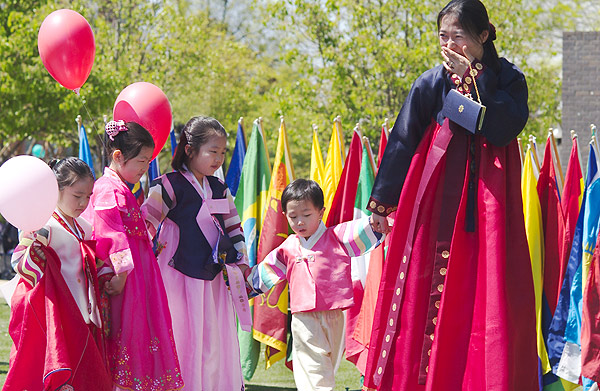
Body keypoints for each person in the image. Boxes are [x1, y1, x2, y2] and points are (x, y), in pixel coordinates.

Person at [363, 0, 538, 390]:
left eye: (458, 35)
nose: (449, 44)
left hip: (491, 206)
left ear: (484, 35)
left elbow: (505, 127)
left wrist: (476, 78)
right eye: (443, 36)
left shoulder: (510, 79)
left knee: (487, 290)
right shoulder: (431, 81)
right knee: (428, 289)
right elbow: (403, 139)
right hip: (437, 202)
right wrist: (381, 203)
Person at [141, 116, 250, 391]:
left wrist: (242, 260)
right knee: (180, 334)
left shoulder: (219, 189)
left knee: (212, 339)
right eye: (212, 151)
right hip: (176, 277)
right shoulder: (166, 184)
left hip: (212, 279)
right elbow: (144, 227)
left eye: (223, 153)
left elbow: (234, 228)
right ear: (189, 150)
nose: (219, 159)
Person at [245, 179, 384, 391]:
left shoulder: (338, 237)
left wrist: (382, 214)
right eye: (293, 217)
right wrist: (236, 285)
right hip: (304, 319)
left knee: (327, 368)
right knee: (313, 372)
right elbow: (264, 274)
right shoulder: (289, 247)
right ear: (285, 216)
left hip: (336, 316)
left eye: (306, 215)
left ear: (321, 212)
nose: (299, 222)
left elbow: (369, 226)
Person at [88, 120, 183, 391]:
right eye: (141, 161)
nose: (145, 168)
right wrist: (120, 274)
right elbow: (111, 234)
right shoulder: (109, 188)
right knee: (127, 332)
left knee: (138, 331)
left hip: (137, 273)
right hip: (128, 277)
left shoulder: (119, 187)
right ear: (118, 156)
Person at [5, 157, 113, 391]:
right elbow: (19, 262)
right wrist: (34, 254)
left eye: (88, 196)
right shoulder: (43, 225)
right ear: (56, 189)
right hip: (57, 316)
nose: (84, 202)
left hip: (84, 314)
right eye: (77, 195)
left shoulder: (84, 226)